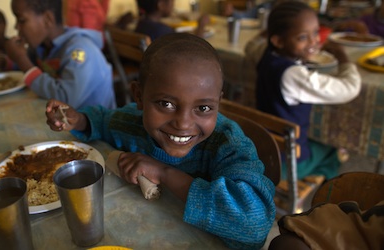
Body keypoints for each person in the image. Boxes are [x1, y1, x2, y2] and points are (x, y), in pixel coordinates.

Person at [45, 33, 276, 249]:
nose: (183, 124)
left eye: (203, 108)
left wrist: (164, 173)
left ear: (218, 102)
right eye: (166, 104)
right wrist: (79, 120)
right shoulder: (131, 123)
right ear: (139, 96)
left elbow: (254, 224)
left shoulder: (228, 146)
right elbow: (104, 121)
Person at [256, 1, 361, 180]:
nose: (315, 41)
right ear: (278, 41)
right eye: (303, 37)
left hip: (265, 150)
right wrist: (343, 59)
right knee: (333, 151)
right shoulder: (293, 76)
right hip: (286, 164)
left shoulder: (263, 53)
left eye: (315, 32)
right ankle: (325, 199)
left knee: (314, 142)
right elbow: (349, 89)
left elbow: (251, 44)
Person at [0, 0, 116, 110]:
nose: (16, 27)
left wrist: (22, 60)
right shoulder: (44, 45)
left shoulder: (80, 50)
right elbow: (24, 59)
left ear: (48, 19)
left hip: (96, 132)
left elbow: (66, 99)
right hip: (63, 123)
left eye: (21, 20)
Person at [134, 0, 210, 41]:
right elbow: (194, 48)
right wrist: (201, 25)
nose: (173, 4)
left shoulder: (141, 23)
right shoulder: (162, 31)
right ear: (161, 5)